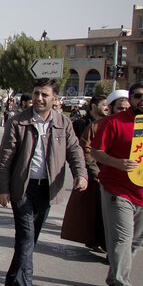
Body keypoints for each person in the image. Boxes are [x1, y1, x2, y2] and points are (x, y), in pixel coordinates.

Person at [0, 79, 87, 286]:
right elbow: (5, 157)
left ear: (55, 99)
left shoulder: (63, 123)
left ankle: (13, 278)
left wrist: (81, 174)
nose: (39, 98)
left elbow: (74, 150)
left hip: (47, 189)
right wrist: (3, 188)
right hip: (23, 188)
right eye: (37, 94)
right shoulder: (18, 121)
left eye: (45, 95)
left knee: (31, 237)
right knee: (26, 236)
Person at [90, 82, 143, 286]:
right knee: (122, 239)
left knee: (136, 240)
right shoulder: (114, 122)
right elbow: (96, 151)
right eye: (138, 96)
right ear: (131, 99)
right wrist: (117, 163)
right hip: (118, 190)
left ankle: (114, 275)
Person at [61, 94, 110, 251]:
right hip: (94, 176)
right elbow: (79, 149)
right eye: (104, 105)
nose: (107, 108)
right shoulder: (84, 124)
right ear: (94, 106)